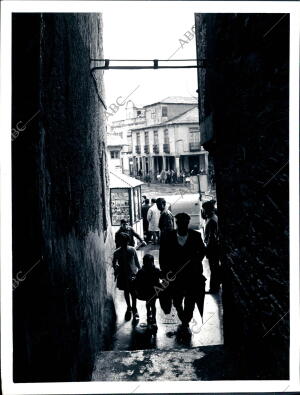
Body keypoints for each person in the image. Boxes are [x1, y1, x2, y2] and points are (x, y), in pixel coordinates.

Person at [159, 212, 206, 332]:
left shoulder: (196, 236)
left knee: (190, 299)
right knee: (177, 300)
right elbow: (163, 256)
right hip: (175, 276)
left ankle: (186, 319)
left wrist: (194, 261)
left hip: (192, 275)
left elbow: (202, 252)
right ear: (177, 223)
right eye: (179, 223)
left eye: (184, 223)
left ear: (187, 223)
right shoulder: (168, 237)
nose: (182, 225)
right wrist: (165, 272)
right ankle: (182, 315)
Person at [112, 233, 141, 321]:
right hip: (123, 275)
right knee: (127, 291)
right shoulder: (117, 252)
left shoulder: (132, 250)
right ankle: (129, 307)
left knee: (133, 292)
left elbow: (137, 262)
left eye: (125, 242)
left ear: (128, 242)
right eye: (122, 242)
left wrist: (139, 272)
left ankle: (134, 308)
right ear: (119, 242)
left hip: (132, 274)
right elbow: (114, 263)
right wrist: (116, 268)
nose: (124, 244)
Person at [134, 254, 161, 329]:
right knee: (149, 303)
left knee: (152, 304)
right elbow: (137, 282)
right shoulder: (142, 272)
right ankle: (149, 314)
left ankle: (153, 318)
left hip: (151, 291)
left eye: (149, 262)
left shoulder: (154, 270)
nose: (148, 264)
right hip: (148, 291)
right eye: (146, 262)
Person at [202, 200, 220, 293]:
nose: (203, 211)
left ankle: (214, 288)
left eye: (204, 209)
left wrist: (207, 249)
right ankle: (216, 286)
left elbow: (212, 237)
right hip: (213, 247)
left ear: (208, 210)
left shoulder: (212, 220)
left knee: (213, 268)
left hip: (212, 248)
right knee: (215, 267)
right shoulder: (213, 218)